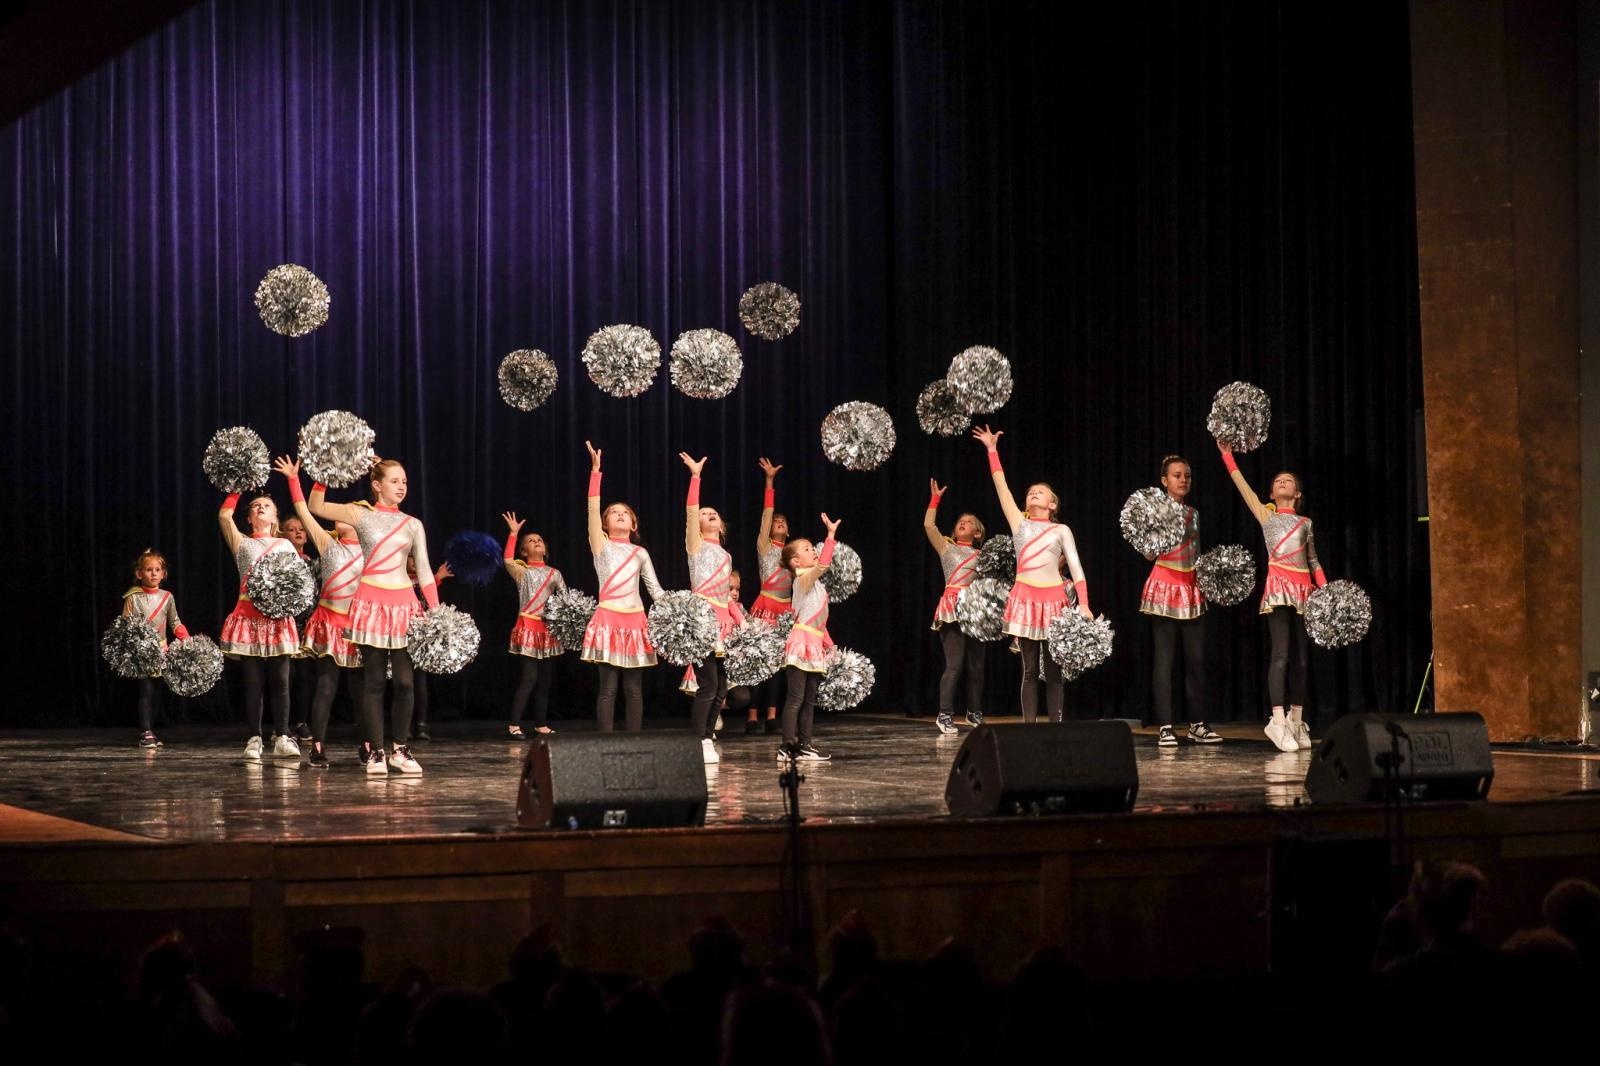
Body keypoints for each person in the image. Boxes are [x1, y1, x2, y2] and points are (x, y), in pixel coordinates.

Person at [309, 458, 437, 774]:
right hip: (370, 604)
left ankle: (400, 749)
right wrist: (327, 471)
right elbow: (316, 506)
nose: (402, 486)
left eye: (404, 481)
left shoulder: (412, 524)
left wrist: (436, 612)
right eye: (394, 481)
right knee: (374, 681)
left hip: (405, 606)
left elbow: (424, 570)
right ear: (377, 485)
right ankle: (377, 752)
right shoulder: (360, 514)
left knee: (405, 683)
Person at [971, 425, 1091, 724]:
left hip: (1054, 602)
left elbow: (1076, 567)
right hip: (1024, 598)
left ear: (1052, 504)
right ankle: (1029, 730)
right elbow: (1002, 488)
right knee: (1028, 671)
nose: (1033, 493)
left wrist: (1085, 604)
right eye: (1030, 492)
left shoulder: (1061, 530)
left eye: (1041, 492)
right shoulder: (1019, 524)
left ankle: (1056, 729)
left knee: (1054, 672)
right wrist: (992, 451)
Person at [1217, 440, 1326, 751]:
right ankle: (1277, 721)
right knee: (1281, 655)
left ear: (1298, 494)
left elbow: (1313, 560)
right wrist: (1227, 456)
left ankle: (1296, 720)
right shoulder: (1267, 516)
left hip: (1304, 591)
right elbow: (1244, 489)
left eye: (1288, 480)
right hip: (1279, 588)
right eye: (1277, 481)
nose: (1282, 482)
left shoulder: (1306, 523)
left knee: (1301, 660)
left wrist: (1326, 590)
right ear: (1271, 493)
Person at [275, 457, 364, 768]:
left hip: (356, 627)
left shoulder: (371, 550)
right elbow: (304, 509)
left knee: (360, 691)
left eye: (349, 513)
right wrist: (298, 478)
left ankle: (368, 743)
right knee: (326, 687)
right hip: (329, 622)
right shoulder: (327, 543)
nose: (341, 515)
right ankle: (318, 746)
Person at [580, 441, 664, 732]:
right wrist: (595, 473)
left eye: (624, 513)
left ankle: (634, 741)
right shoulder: (600, 545)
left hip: (636, 621)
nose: (619, 514)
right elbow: (592, 510)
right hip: (607, 618)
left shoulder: (640, 552)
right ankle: (606, 742)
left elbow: (655, 590)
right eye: (613, 512)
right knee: (608, 689)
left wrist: (678, 608)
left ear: (633, 524)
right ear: (604, 524)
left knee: (633, 689)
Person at [1139, 455, 1221, 746]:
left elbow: (1195, 553)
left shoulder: (1194, 513)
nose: (1183, 480)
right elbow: (1148, 554)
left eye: (1187, 475)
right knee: (1165, 660)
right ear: (1164, 481)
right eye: (1177, 475)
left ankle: (1197, 724)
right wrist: (1159, 528)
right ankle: (1165, 726)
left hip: (1191, 587)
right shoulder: (1155, 512)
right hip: (1165, 584)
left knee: (1196, 659)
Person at [217, 490, 301, 762]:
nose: (261, 508)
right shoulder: (241, 542)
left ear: (275, 517)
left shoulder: (285, 545)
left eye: (267, 505)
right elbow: (224, 516)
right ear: (249, 518)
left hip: (278, 620)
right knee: (253, 683)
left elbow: (297, 582)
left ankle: (282, 737)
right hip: (248, 618)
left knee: (281, 681)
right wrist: (237, 488)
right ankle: (254, 738)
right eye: (255, 506)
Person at [681, 453, 735, 763]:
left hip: (723, 625)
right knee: (709, 684)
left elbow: (727, 597)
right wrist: (696, 477)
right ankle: (698, 739)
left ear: (721, 525)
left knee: (722, 687)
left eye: (714, 512)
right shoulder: (696, 545)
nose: (709, 513)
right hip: (702, 621)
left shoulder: (726, 555)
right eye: (705, 513)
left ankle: (708, 735)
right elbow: (691, 511)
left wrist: (740, 622)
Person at [776, 513, 842, 761]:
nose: (813, 550)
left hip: (814, 643)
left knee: (809, 700)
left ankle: (804, 745)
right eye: (807, 549)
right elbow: (822, 565)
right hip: (801, 642)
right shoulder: (802, 579)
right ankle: (787, 746)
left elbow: (819, 619)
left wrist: (829, 644)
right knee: (795, 698)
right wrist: (830, 536)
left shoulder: (817, 585)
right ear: (796, 561)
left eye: (812, 547)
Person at [924, 478, 986, 734]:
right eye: (960, 521)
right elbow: (929, 526)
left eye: (969, 522)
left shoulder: (983, 556)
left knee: (976, 667)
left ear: (978, 533)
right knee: (954, 665)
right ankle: (945, 714)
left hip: (975, 611)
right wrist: (934, 500)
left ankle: (974, 712)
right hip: (951, 608)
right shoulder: (946, 548)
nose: (963, 522)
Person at [501, 511, 565, 739]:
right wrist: (513, 534)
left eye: (539, 540)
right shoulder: (522, 571)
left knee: (545, 681)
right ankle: (514, 725)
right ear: (524, 551)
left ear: (545, 549)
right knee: (529, 678)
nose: (536, 542)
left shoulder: (555, 574)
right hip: (528, 626)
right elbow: (507, 560)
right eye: (530, 540)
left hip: (547, 630)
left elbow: (565, 600)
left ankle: (540, 724)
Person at [119, 549, 191, 748]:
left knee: (157, 692)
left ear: (163, 574)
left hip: (161, 651)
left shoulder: (167, 597)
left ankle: (150, 730)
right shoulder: (133, 597)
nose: (153, 573)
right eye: (149, 570)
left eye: (157, 570)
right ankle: (145, 732)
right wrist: (133, 644)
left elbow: (175, 622)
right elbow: (125, 624)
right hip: (141, 651)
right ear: (139, 573)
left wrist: (186, 637)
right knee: (146, 690)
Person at [747, 457, 791, 734]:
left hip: (785, 611)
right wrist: (770, 482)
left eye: (783, 521)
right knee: (758, 661)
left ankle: (772, 716)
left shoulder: (794, 554)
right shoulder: (765, 546)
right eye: (775, 521)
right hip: (764, 608)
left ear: (788, 529)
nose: (778, 522)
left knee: (777, 666)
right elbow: (767, 513)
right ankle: (752, 717)